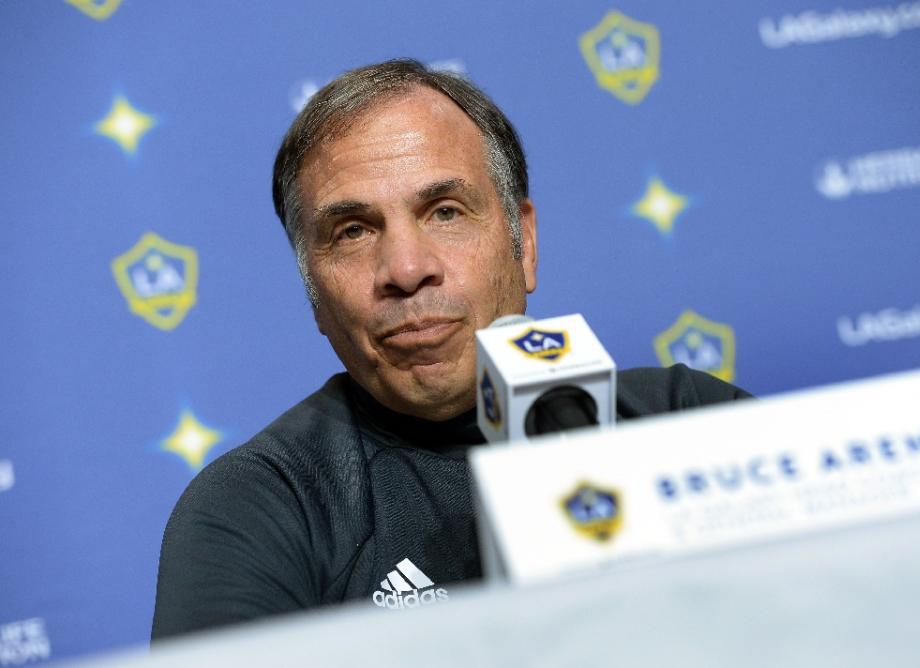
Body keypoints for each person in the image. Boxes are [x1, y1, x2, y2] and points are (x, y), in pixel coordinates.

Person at [151, 59, 750, 640]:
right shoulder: (261, 508)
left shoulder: (686, 417)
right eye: (353, 231)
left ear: (525, 243)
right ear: (314, 294)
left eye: (445, 212)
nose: (406, 269)